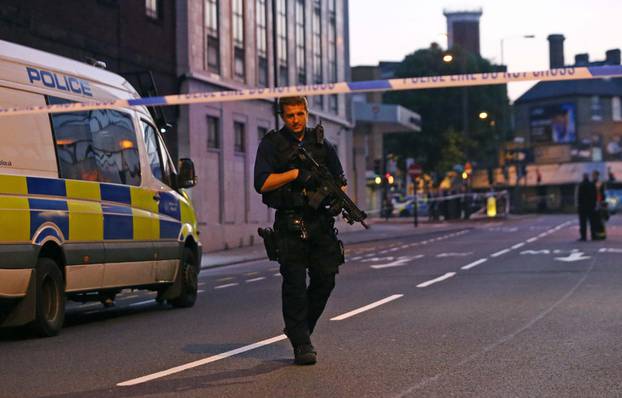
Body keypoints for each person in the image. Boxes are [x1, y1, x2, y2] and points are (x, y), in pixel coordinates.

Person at [254, 96, 346, 366]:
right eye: (290, 115)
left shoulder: (322, 145)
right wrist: (294, 174)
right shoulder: (272, 144)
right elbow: (262, 183)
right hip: (290, 224)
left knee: (325, 279)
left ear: (307, 112)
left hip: (320, 224)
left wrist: (333, 200)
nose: (295, 120)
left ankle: (300, 329)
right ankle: (302, 343)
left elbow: (340, 182)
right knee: (294, 285)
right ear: (282, 116)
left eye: (300, 114)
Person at [577, 173, 596, 241]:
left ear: (583, 177)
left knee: (583, 223)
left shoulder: (581, 185)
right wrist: (594, 205)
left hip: (583, 207)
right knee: (592, 222)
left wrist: (579, 206)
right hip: (591, 206)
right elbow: (594, 196)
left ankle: (583, 236)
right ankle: (593, 235)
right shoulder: (592, 185)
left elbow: (579, 197)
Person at [592, 170, 607, 240]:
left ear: (597, 176)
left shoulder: (599, 183)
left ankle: (602, 235)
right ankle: (596, 235)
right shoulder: (592, 183)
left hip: (599, 203)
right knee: (595, 220)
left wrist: (601, 202)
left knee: (600, 220)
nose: (593, 176)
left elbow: (602, 194)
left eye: (594, 175)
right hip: (594, 203)